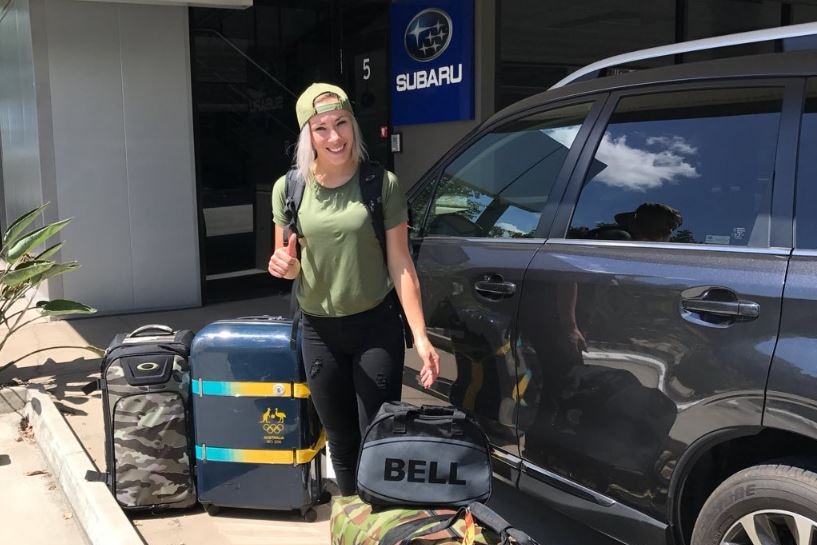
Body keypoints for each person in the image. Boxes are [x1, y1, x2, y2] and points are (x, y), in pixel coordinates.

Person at [267, 83, 440, 496]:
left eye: (341, 123)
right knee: (340, 441)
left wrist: (420, 334)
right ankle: (351, 524)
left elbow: (400, 263)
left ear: (353, 124)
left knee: (379, 437)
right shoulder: (289, 189)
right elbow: (285, 260)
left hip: (374, 328)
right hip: (319, 332)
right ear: (308, 135)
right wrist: (283, 266)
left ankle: (379, 525)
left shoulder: (381, 184)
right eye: (321, 128)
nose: (335, 137)